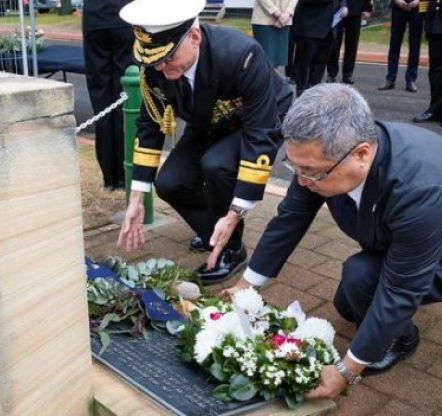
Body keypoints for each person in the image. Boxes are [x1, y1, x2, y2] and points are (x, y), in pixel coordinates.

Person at [230, 84, 442, 399]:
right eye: (295, 167)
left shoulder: (423, 188)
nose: (301, 181)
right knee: (349, 305)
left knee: (361, 276)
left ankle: (402, 341)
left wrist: (346, 371)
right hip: (405, 239)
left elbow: (402, 289)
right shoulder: (325, 156)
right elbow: (290, 217)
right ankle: (380, 319)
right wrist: (245, 286)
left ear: (361, 153)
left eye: (310, 172)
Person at [116, 0, 293, 285]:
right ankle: (212, 228)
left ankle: (232, 248)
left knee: (217, 166)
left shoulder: (240, 54)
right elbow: (150, 125)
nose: (160, 68)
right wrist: (136, 198)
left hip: (258, 116)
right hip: (207, 120)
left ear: (194, 38)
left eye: (167, 58)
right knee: (171, 183)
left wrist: (236, 212)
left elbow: (260, 133)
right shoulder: (155, 65)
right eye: (152, 60)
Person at [82, 0, 134, 189]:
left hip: (95, 20)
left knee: (102, 101)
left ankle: (110, 177)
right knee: (126, 98)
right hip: (124, 17)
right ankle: (123, 174)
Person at [291, 0, 347, 95]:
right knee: (303, 63)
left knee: (320, 64)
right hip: (309, 26)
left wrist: (343, 5)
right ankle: (301, 93)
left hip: (330, 27)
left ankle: (314, 92)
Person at [378, 0, 424, 92]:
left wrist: (419, 1)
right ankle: (390, 78)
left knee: (415, 45)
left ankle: (411, 79)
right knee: (394, 43)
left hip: (418, 7)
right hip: (398, 6)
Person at [326, 0, 372, 84]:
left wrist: (367, 8)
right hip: (337, 9)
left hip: (356, 9)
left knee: (352, 44)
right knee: (334, 43)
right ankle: (331, 73)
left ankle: (347, 75)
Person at [251, 0, 299, 70]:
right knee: (264, 61)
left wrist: (288, 12)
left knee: (276, 61)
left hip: (285, 20)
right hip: (264, 19)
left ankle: (271, 80)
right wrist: (277, 13)